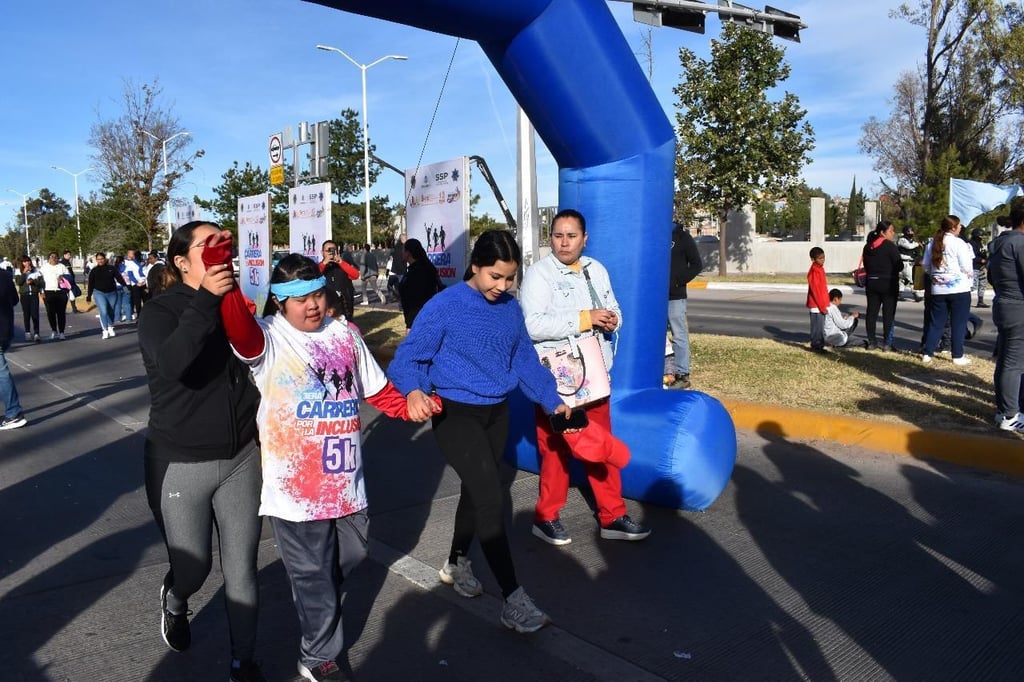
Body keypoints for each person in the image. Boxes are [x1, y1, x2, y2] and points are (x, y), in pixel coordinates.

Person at [214, 246, 434, 682]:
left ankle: (314, 601)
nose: (313, 304)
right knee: (315, 576)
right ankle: (318, 658)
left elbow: (376, 389)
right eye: (301, 298)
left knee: (352, 553)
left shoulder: (344, 333)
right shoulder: (268, 338)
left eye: (317, 293)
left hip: (345, 482)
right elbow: (238, 330)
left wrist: (410, 404)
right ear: (280, 301)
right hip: (295, 490)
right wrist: (225, 275)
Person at [388, 229, 573, 634]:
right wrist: (415, 390)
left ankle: (456, 563)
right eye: (494, 276)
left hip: (496, 413)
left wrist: (550, 397)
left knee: (476, 491)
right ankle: (513, 599)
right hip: (456, 415)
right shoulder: (445, 306)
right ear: (475, 266)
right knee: (491, 496)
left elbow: (524, 359)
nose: (502, 286)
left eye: (510, 278)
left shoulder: (510, 307)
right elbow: (409, 357)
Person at [136, 222, 265, 682]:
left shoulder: (236, 304)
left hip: (240, 458)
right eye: (207, 245)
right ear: (181, 261)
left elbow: (260, 360)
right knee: (195, 568)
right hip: (179, 462)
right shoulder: (159, 312)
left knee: (242, 566)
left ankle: (243, 661)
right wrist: (208, 300)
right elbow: (173, 364)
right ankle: (176, 599)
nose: (220, 252)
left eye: (224, 242)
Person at [521, 208, 651, 545]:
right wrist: (584, 318)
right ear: (550, 237)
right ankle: (546, 516)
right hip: (557, 381)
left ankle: (613, 516)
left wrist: (611, 321)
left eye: (571, 236)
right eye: (558, 235)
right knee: (555, 449)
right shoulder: (539, 274)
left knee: (601, 446)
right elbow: (532, 325)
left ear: (585, 238)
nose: (564, 243)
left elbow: (615, 309)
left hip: (595, 376)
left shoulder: (597, 270)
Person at [987, 208, 1024, 431]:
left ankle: (1005, 410)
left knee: (1006, 360)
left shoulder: (1000, 243)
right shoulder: (1019, 243)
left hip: (1003, 304)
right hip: (1018, 307)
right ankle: (1010, 415)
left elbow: (991, 275)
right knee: (1013, 363)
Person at [921, 215, 974, 365]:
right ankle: (957, 355)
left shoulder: (932, 243)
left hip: (938, 288)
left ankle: (928, 353)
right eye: (959, 225)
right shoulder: (959, 243)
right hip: (959, 289)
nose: (961, 227)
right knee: (958, 323)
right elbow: (966, 266)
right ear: (953, 227)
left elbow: (925, 265)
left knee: (936, 322)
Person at [666, 222, 703, 389]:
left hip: (675, 297)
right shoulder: (655, 236)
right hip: (654, 297)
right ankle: (666, 372)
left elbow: (697, 265)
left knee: (678, 334)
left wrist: (677, 281)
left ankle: (682, 374)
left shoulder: (683, 237)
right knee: (656, 336)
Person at [861, 221, 902, 351]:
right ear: (882, 232)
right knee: (888, 314)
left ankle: (872, 341)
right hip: (888, 283)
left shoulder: (868, 247)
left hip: (872, 282)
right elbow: (899, 265)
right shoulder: (889, 246)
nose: (893, 233)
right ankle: (887, 344)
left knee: (871, 313)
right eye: (890, 231)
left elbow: (866, 265)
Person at [0, 264, 27, 430]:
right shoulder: (4, 275)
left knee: (2, 374)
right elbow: (15, 300)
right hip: (5, 329)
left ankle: (14, 412)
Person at [397, 238, 442, 331]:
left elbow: (417, 301)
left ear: (408, 252)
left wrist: (410, 326)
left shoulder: (418, 273)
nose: (401, 252)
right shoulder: (418, 269)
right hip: (420, 320)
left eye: (403, 250)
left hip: (420, 323)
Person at [85, 253, 126, 339]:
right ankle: (105, 330)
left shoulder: (111, 268)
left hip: (112, 292)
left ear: (105, 259)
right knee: (103, 311)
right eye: (98, 259)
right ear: (96, 260)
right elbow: (91, 284)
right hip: (99, 292)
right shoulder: (94, 271)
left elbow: (119, 278)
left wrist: (125, 286)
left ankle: (110, 326)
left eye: (102, 259)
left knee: (111, 310)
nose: (100, 260)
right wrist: (88, 296)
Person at [319, 240, 359, 323]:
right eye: (328, 251)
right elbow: (314, 276)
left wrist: (341, 262)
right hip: (327, 305)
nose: (330, 253)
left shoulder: (342, 264)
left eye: (333, 250)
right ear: (322, 252)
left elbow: (355, 275)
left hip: (344, 304)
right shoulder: (319, 266)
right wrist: (324, 263)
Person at [38, 251, 70, 340]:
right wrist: (41, 292)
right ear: (48, 258)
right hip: (48, 292)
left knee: (61, 313)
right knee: (50, 313)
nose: (54, 258)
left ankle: (62, 332)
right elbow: (40, 281)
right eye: (52, 257)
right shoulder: (44, 267)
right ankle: (53, 330)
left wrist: (62, 278)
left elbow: (69, 278)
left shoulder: (62, 267)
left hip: (61, 292)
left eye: (55, 257)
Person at [806, 247, 829, 352]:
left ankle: (819, 345)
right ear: (813, 259)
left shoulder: (820, 269)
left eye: (823, 257)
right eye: (820, 258)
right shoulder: (814, 271)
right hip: (817, 305)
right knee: (817, 328)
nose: (822, 260)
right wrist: (822, 306)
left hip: (822, 304)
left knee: (821, 327)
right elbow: (816, 291)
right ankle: (816, 346)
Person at [14, 256, 42, 342]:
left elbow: (41, 283)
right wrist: (24, 273)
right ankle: (27, 333)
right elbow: (18, 282)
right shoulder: (18, 271)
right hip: (24, 295)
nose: (27, 263)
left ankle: (36, 333)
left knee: (35, 314)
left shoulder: (36, 271)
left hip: (34, 295)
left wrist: (33, 281)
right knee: (26, 314)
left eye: (28, 261)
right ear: (22, 263)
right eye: (25, 262)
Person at [897, 226, 923, 301]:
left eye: (912, 231)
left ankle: (899, 293)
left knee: (903, 280)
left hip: (910, 262)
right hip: (904, 262)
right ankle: (915, 294)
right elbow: (908, 246)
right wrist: (917, 244)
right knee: (910, 279)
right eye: (909, 231)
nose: (911, 233)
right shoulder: (902, 240)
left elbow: (915, 248)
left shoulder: (912, 241)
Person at [969, 228, 989, 307]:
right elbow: (971, 256)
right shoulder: (971, 244)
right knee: (973, 285)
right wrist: (981, 260)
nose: (982, 237)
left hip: (981, 267)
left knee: (982, 284)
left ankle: (980, 301)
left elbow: (983, 253)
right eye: (981, 235)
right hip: (974, 267)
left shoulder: (980, 244)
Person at [123, 249, 146, 318]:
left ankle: (146, 314)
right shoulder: (130, 263)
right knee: (137, 301)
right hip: (136, 285)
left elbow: (146, 272)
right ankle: (139, 315)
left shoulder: (143, 263)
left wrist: (144, 281)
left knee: (145, 300)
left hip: (144, 283)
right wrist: (137, 282)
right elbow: (130, 275)